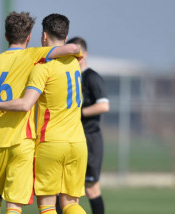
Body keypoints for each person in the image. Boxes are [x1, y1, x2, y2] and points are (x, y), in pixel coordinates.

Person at [0, 13, 87, 214]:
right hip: (71, 141)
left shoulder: (30, 66)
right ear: (29, 37)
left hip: (41, 140)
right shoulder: (73, 62)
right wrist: (75, 50)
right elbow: (74, 49)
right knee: (69, 203)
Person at [64, 36, 110, 214]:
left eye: (78, 55)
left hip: (89, 138)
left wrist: (79, 112)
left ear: (85, 54)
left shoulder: (91, 77)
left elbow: (104, 105)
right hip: (70, 139)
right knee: (64, 189)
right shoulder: (68, 77)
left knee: (91, 188)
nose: (76, 58)